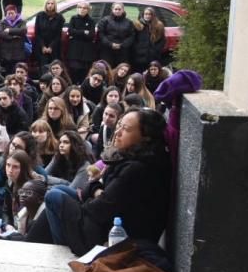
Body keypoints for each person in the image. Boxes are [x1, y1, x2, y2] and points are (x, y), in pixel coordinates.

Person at [27, 108, 171, 255]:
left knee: (54, 197)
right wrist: (96, 190)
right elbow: (92, 190)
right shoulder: (130, 157)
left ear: (146, 137)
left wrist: (93, 193)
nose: (117, 132)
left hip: (115, 237)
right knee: (60, 192)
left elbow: (99, 208)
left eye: (126, 129)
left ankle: (63, 252)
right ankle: (29, 241)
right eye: (119, 125)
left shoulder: (138, 168)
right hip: (105, 221)